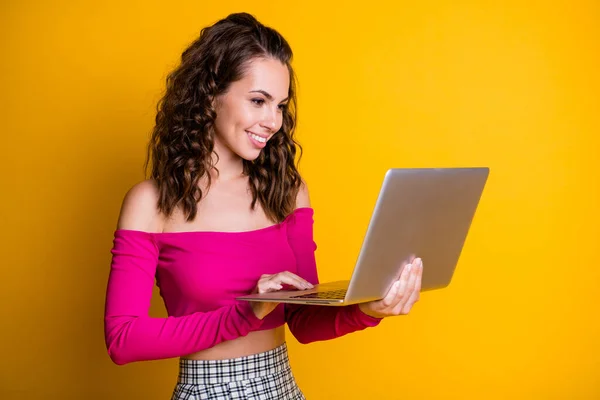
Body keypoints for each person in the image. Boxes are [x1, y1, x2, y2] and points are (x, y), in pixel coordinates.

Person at [103, 12, 423, 400]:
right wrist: (247, 312)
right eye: (258, 101)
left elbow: (304, 320)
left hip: (281, 387)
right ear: (210, 93)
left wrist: (371, 308)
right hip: (205, 390)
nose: (273, 122)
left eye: (280, 106)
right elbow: (123, 339)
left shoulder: (286, 192)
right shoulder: (151, 203)